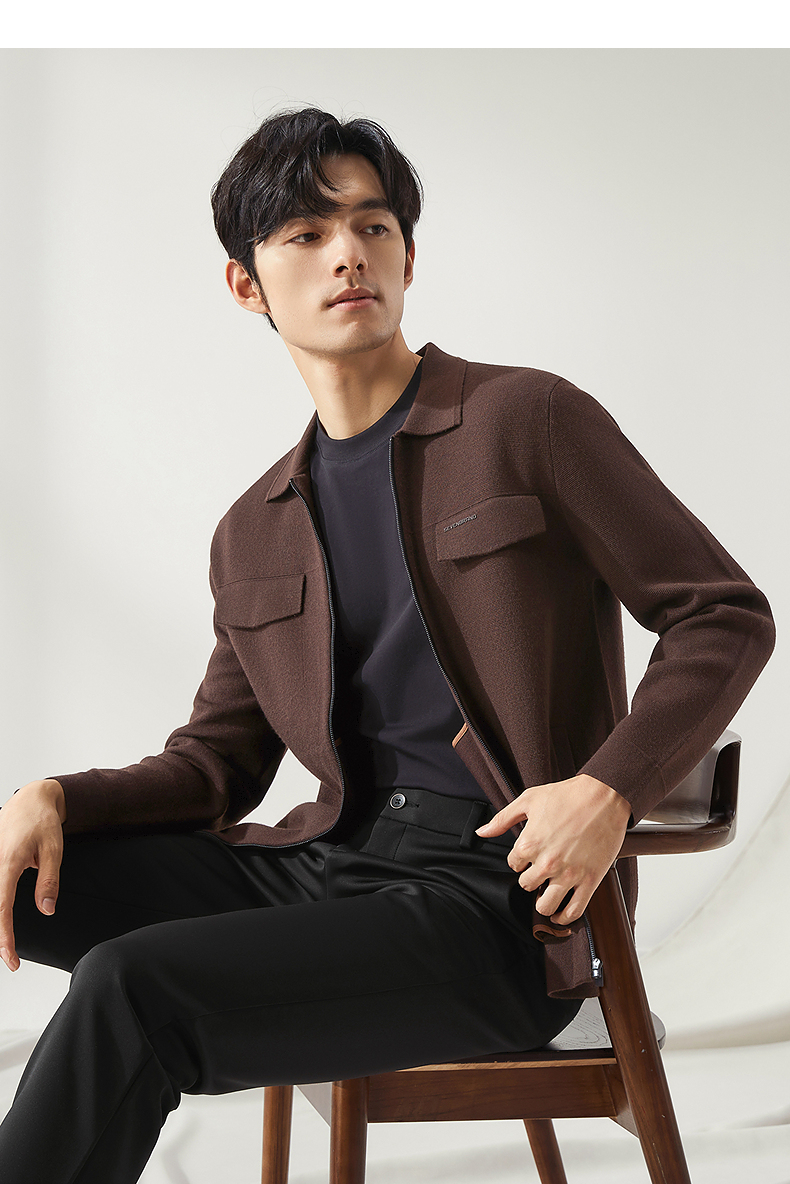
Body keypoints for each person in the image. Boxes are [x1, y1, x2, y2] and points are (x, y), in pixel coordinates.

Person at [0, 107, 775, 1183]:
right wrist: (55, 796)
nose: (348, 253)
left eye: (372, 225)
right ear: (246, 285)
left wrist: (605, 791)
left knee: (132, 987)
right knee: (15, 879)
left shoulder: (526, 419)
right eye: (306, 233)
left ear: (410, 257)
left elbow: (722, 612)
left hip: (495, 904)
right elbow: (215, 767)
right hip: (327, 865)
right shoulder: (255, 525)